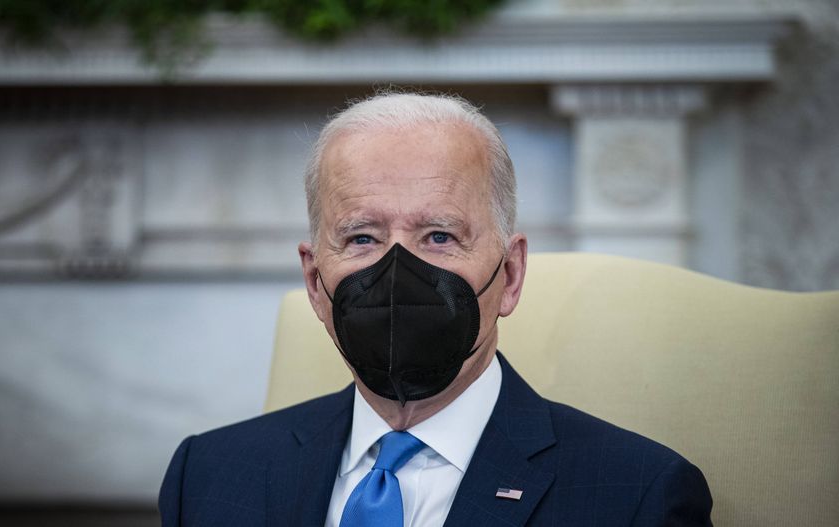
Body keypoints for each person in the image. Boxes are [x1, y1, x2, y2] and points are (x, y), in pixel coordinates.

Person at [159, 92, 713, 526]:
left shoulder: (638, 495)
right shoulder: (207, 477)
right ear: (313, 281)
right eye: (361, 238)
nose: (398, 270)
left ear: (512, 275)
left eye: (440, 235)